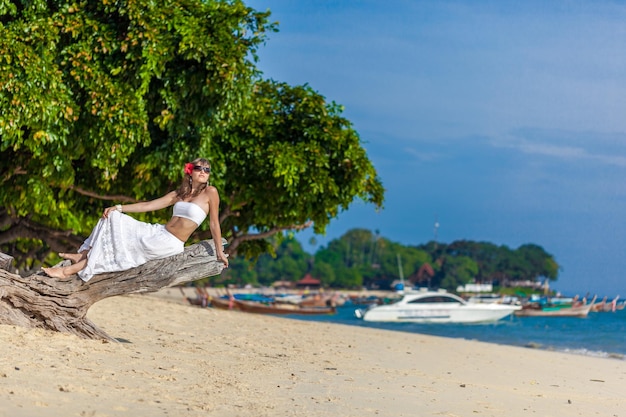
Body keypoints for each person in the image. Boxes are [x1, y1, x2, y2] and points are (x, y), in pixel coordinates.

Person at [42, 158, 229, 281]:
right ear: (190, 171)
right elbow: (148, 205)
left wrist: (219, 251)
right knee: (112, 217)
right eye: (199, 168)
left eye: (207, 169)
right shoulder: (180, 193)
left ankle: (67, 271)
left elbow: (214, 223)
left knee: (120, 248)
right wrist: (119, 207)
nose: (203, 171)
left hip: (170, 242)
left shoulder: (210, 193)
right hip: (158, 231)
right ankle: (84, 254)